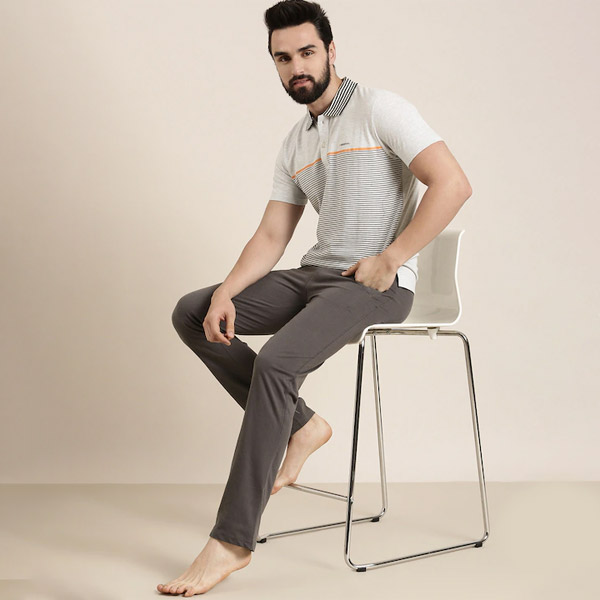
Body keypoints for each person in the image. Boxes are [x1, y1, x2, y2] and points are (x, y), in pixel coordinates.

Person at [157, 0, 472, 595]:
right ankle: (302, 426)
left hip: (375, 287)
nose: (296, 67)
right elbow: (272, 234)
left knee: (277, 362)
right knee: (195, 313)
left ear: (330, 50)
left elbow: (453, 183)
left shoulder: (380, 109)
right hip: (314, 276)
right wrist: (226, 291)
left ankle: (231, 541)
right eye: (283, 58)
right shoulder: (296, 141)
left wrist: (391, 258)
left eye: (306, 52)